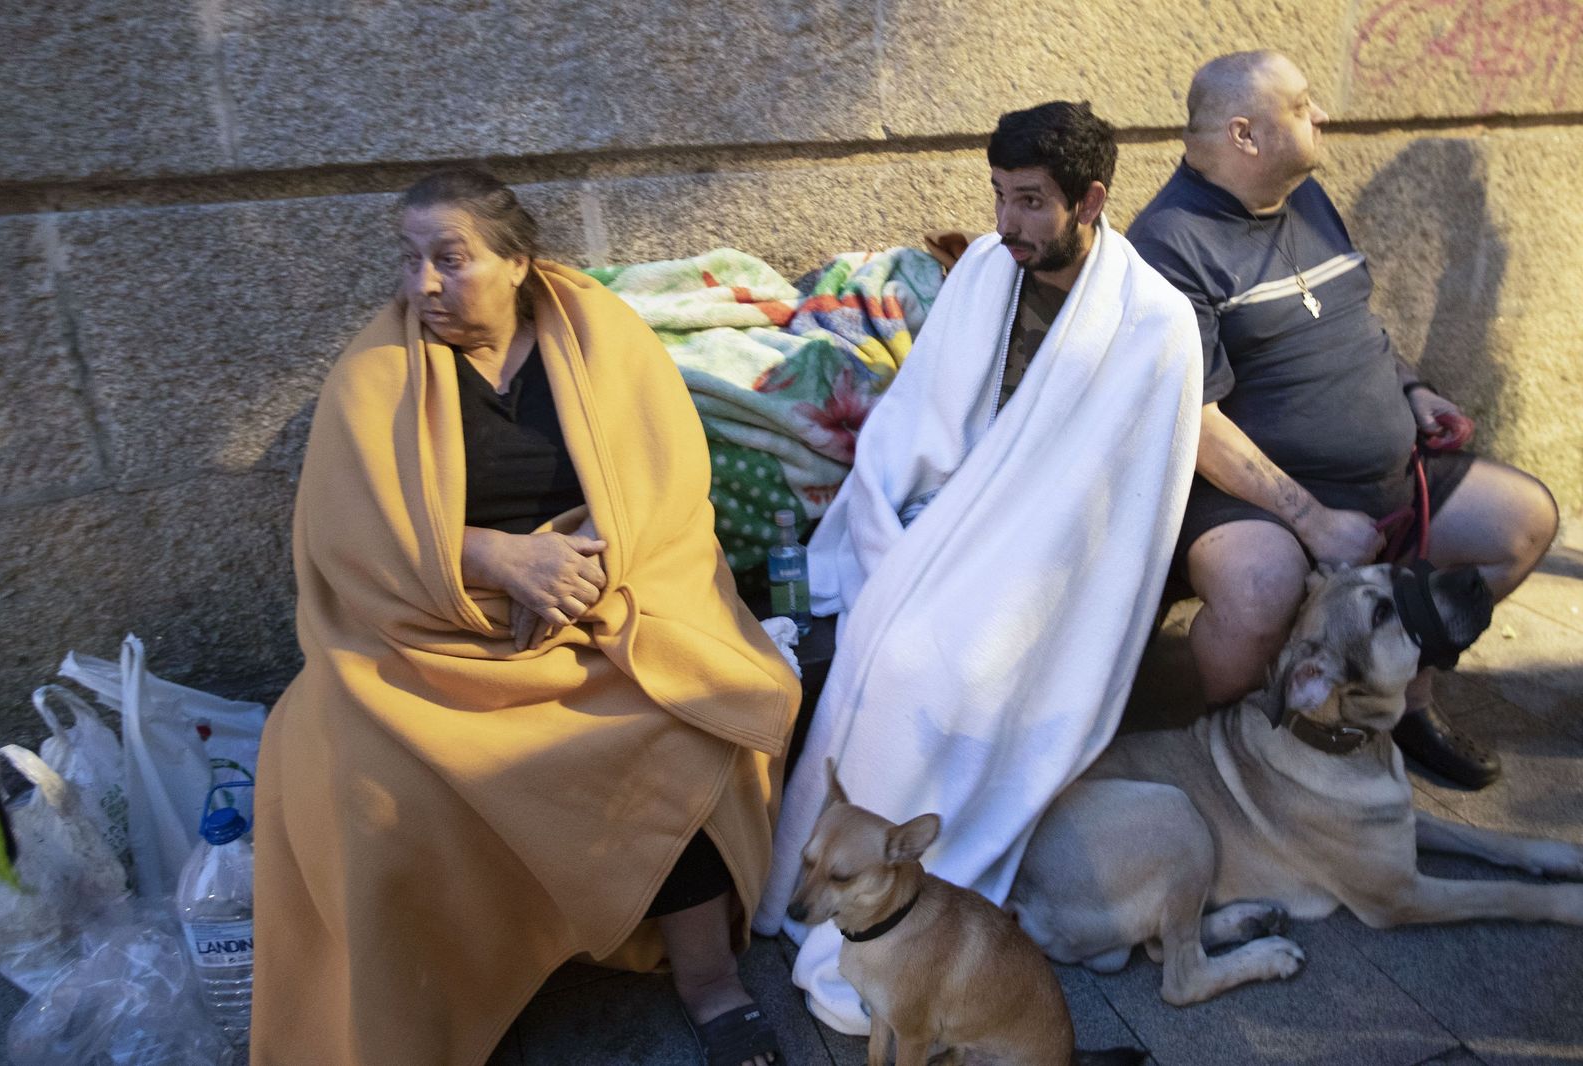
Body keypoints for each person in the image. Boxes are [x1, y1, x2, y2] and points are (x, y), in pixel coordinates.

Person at [251, 168, 800, 1066]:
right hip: (437, 644)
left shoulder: (601, 337)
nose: (421, 283)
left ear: (516, 262)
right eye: (409, 258)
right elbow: (346, 535)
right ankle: (445, 1007)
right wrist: (491, 558)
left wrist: (580, 570)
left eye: (449, 258)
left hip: (607, 611)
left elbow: (662, 489)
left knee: (676, 725)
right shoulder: (373, 372)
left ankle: (709, 984)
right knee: (357, 766)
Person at [755, 102, 1203, 1033]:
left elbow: (1116, 516)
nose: (1008, 223)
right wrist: (899, 532)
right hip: (947, 524)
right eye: (1000, 196)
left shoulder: (1155, 324)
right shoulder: (986, 277)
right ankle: (831, 885)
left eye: (1032, 202)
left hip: (1049, 578)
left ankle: (901, 912)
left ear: (1092, 200)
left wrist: (984, 558)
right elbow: (916, 427)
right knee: (884, 626)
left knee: (930, 663)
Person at [1127, 51, 1559, 789]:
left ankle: (1403, 700)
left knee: (1524, 522)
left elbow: (1353, 320)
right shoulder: (1169, 244)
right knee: (1261, 590)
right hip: (1253, 494)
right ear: (1245, 135)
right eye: (1299, 107)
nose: (1320, 113)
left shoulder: (1306, 197)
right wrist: (1314, 519)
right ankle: (1233, 748)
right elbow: (1193, 422)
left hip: (1387, 473)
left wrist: (1415, 390)